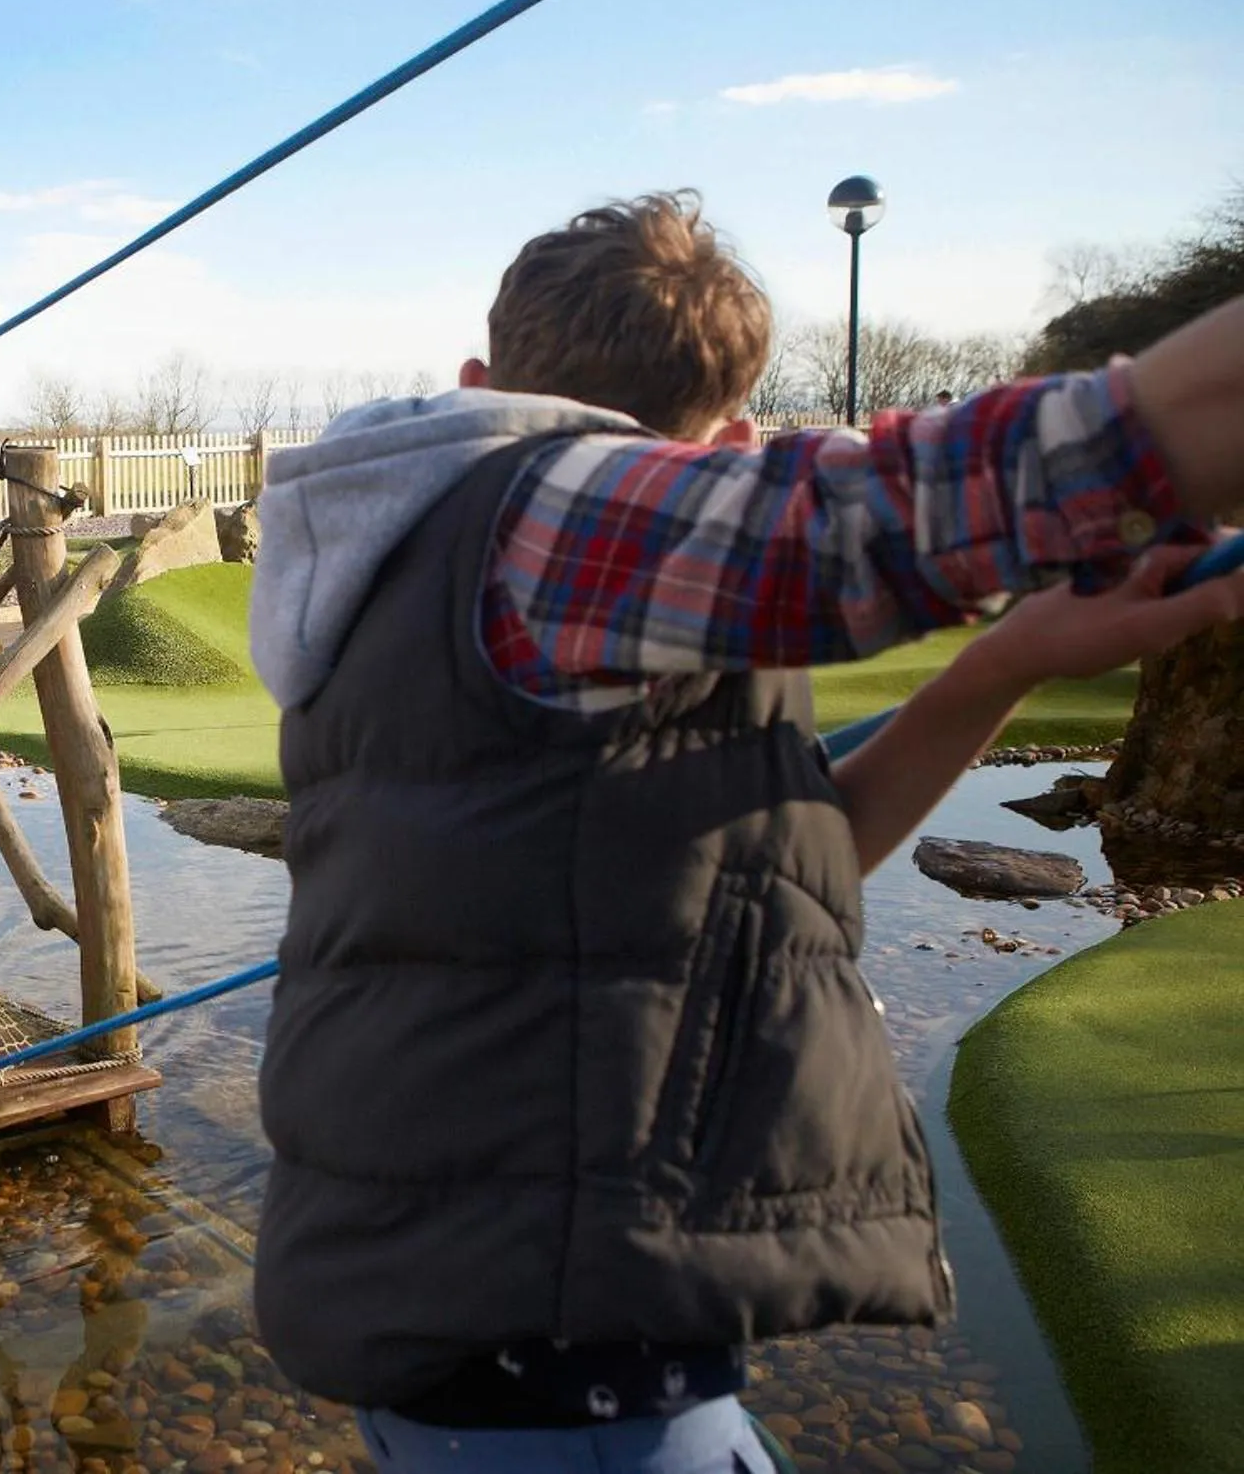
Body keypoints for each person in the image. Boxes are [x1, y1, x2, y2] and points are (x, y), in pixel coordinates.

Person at [248, 192, 1244, 1473]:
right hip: (550, 1353)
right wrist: (1162, 428)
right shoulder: (554, 506)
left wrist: (995, 668)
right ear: (724, 441)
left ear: (477, 378)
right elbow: (902, 508)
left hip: (509, 1317)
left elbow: (765, 876)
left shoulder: (415, 543)